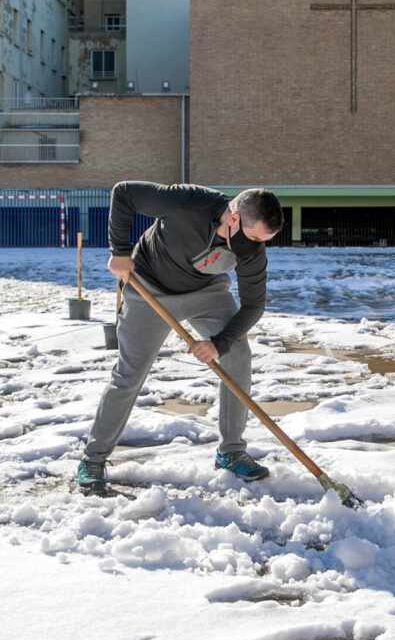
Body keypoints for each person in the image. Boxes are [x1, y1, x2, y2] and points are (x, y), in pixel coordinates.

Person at [75, 181, 284, 495]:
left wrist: (219, 342)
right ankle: (93, 459)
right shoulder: (188, 202)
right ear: (233, 218)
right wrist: (119, 252)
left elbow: (254, 305)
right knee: (130, 374)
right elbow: (124, 193)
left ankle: (231, 451)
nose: (256, 246)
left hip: (206, 292)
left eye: (265, 240)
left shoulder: (253, 251)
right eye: (254, 237)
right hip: (149, 287)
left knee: (238, 355)